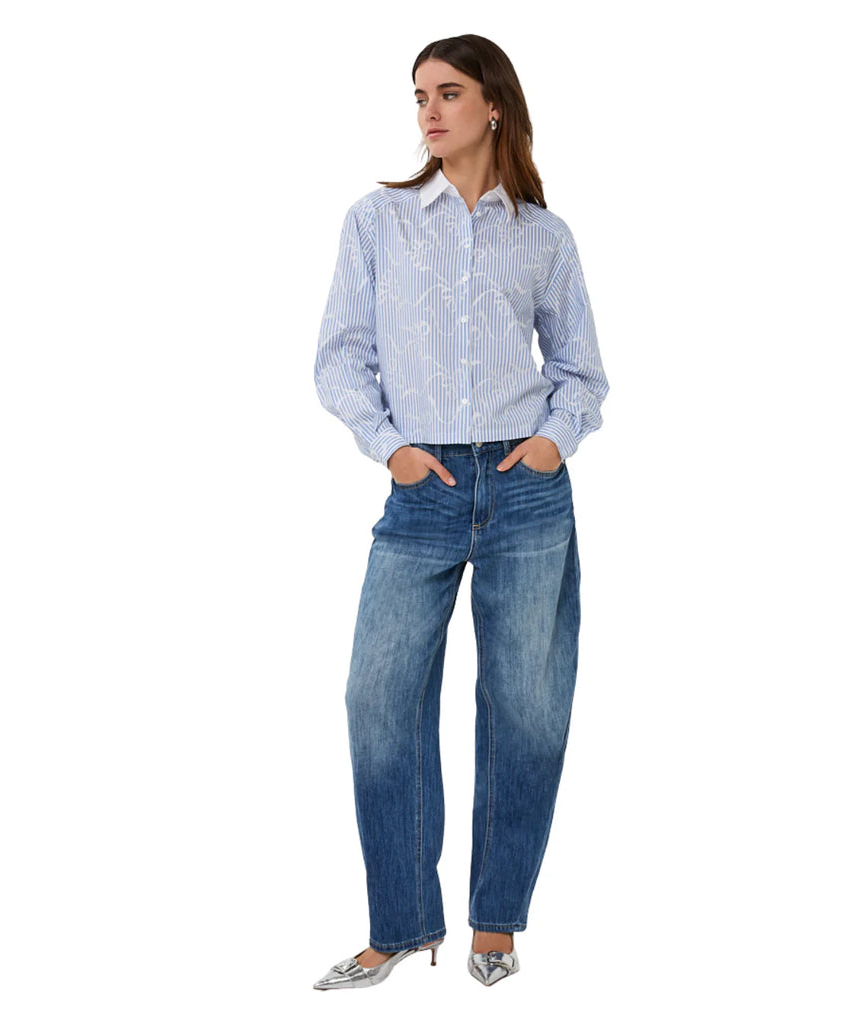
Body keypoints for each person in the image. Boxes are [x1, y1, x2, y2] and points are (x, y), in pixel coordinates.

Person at [311, 34, 610, 990]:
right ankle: (402, 924)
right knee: (377, 697)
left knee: (525, 709)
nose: (429, 111)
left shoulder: (544, 236)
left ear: (494, 107)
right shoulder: (378, 222)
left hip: (527, 487)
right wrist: (390, 447)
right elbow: (340, 357)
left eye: (448, 93)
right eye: (419, 96)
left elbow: (581, 373)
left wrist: (554, 441)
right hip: (421, 485)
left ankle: (495, 923)